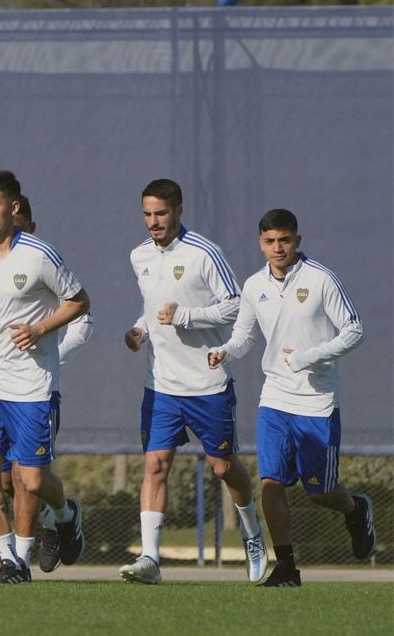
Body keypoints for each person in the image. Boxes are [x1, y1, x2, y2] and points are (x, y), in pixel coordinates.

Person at [208, 209, 374, 587]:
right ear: (260, 243)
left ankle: (355, 507)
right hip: (276, 398)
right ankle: (286, 567)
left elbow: (354, 331)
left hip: (317, 401)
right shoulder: (253, 286)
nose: (278, 247)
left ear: (297, 241)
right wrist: (225, 351)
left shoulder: (321, 280)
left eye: (285, 240)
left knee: (320, 492)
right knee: (270, 482)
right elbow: (245, 336)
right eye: (270, 241)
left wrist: (307, 357)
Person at [120, 178, 265, 585]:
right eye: (147, 214)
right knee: (155, 465)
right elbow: (151, 309)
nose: (153, 222)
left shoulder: (205, 253)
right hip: (161, 385)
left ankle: (253, 533)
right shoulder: (139, 256)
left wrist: (186, 316)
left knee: (222, 468)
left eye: (161, 213)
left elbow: (235, 306)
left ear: (179, 211)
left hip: (208, 383)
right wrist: (140, 332)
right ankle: (150, 559)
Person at [0, 171, 89, 584]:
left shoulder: (40, 255)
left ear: (13, 208)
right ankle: (13, 561)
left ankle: (66, 514)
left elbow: (79, 301)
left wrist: (41, 329)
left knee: (30, 479)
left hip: (32, 386)